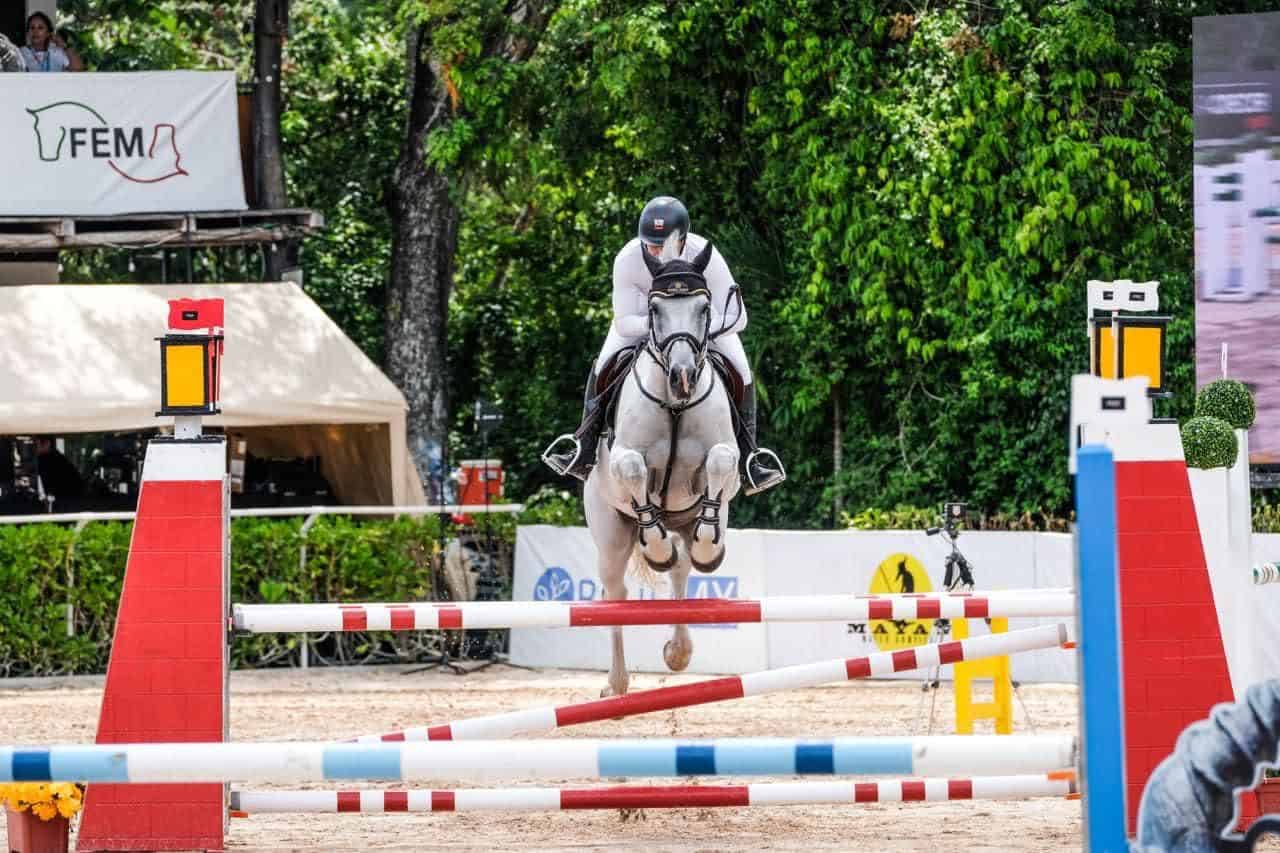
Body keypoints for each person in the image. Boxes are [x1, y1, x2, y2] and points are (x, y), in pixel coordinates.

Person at [543, 196, 786, 495]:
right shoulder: (629, 259)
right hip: (645, 324)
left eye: (662, 244)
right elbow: (624, 321)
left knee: (741, 370)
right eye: (650, 244)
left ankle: (751, 459)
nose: (655, 251)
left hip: (700, 327)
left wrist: (691, 330)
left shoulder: (706, 255)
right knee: (604, 364)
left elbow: (738, 316)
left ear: (683, 238)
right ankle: (584, 446)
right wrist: (666, 328)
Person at [34, 436, 84, 505]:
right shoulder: (55, 457)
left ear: (47, 444)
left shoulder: (49, 459)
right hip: (68, 498)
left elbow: (49, 483)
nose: (35, 448)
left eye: (36, 445)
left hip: (67, 498)